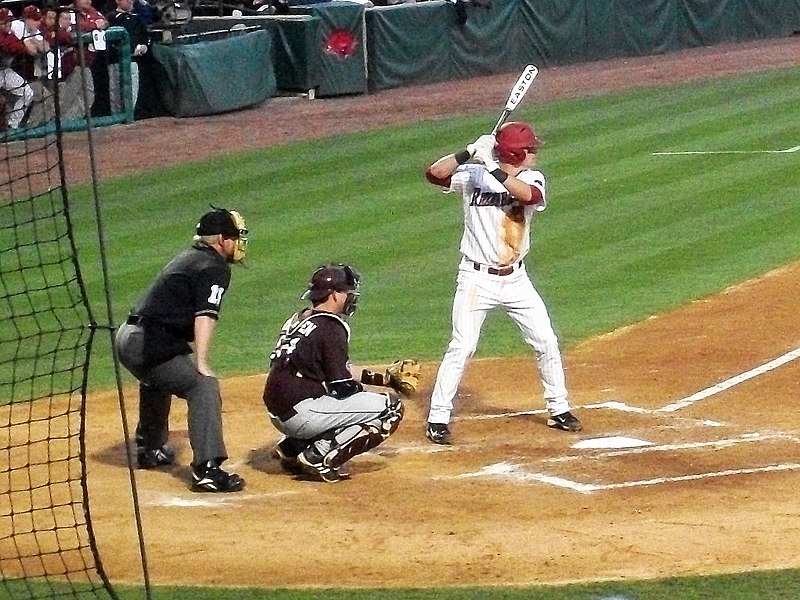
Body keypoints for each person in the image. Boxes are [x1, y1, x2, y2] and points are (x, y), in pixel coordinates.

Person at [423, 121, 582, 445]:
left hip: (515, 280)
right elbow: (434, 174)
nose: (535, 153)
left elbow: (528, 195)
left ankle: (559, 408)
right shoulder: (472, 175)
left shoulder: (530, 178)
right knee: (462, 345)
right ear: (518, 152)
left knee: (546, 341)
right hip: (475, 278)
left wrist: (492, 165)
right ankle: (438, 417)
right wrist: (468, 151)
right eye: (531, 149)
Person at [114, 207, 249, 493]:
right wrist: (201, 362)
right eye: (235, 237)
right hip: (147, 341)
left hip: (130, 337)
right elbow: (205, 314)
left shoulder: (191, 257)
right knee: (203, 386)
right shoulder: (213, 266)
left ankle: (150, 448)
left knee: (159, 374)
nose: (238, 244)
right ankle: (207, 470)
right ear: (221, 240)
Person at [263, 264, 405, 483]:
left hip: (279, 409)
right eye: (347, 292)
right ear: (333, 295)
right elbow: (341, 385)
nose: (351, 297)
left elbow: (338, 369)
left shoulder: (300, 319)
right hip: (302, 413)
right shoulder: (331, 327)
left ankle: (290, 449)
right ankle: (318, 456)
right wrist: (362, 391)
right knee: (390, 408)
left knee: (340, 400)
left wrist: (384, 379)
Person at [106, 0, 150, 114]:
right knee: (116, 91)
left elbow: (144, 36)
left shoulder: (136, 18)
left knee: (132, 90)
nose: (130, 1)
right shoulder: (112, 17)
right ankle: (116, 117)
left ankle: (129, 118)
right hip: (116, 61)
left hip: (133, 60)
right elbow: (111, 41)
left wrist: (144, 46)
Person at [0, 7, 35, 131]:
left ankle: (12, 125)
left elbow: (25, 49)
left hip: (4, 70)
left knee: (27, 93)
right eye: (4, 22)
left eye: (9, 21)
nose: (8, 24)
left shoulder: (10, 35)